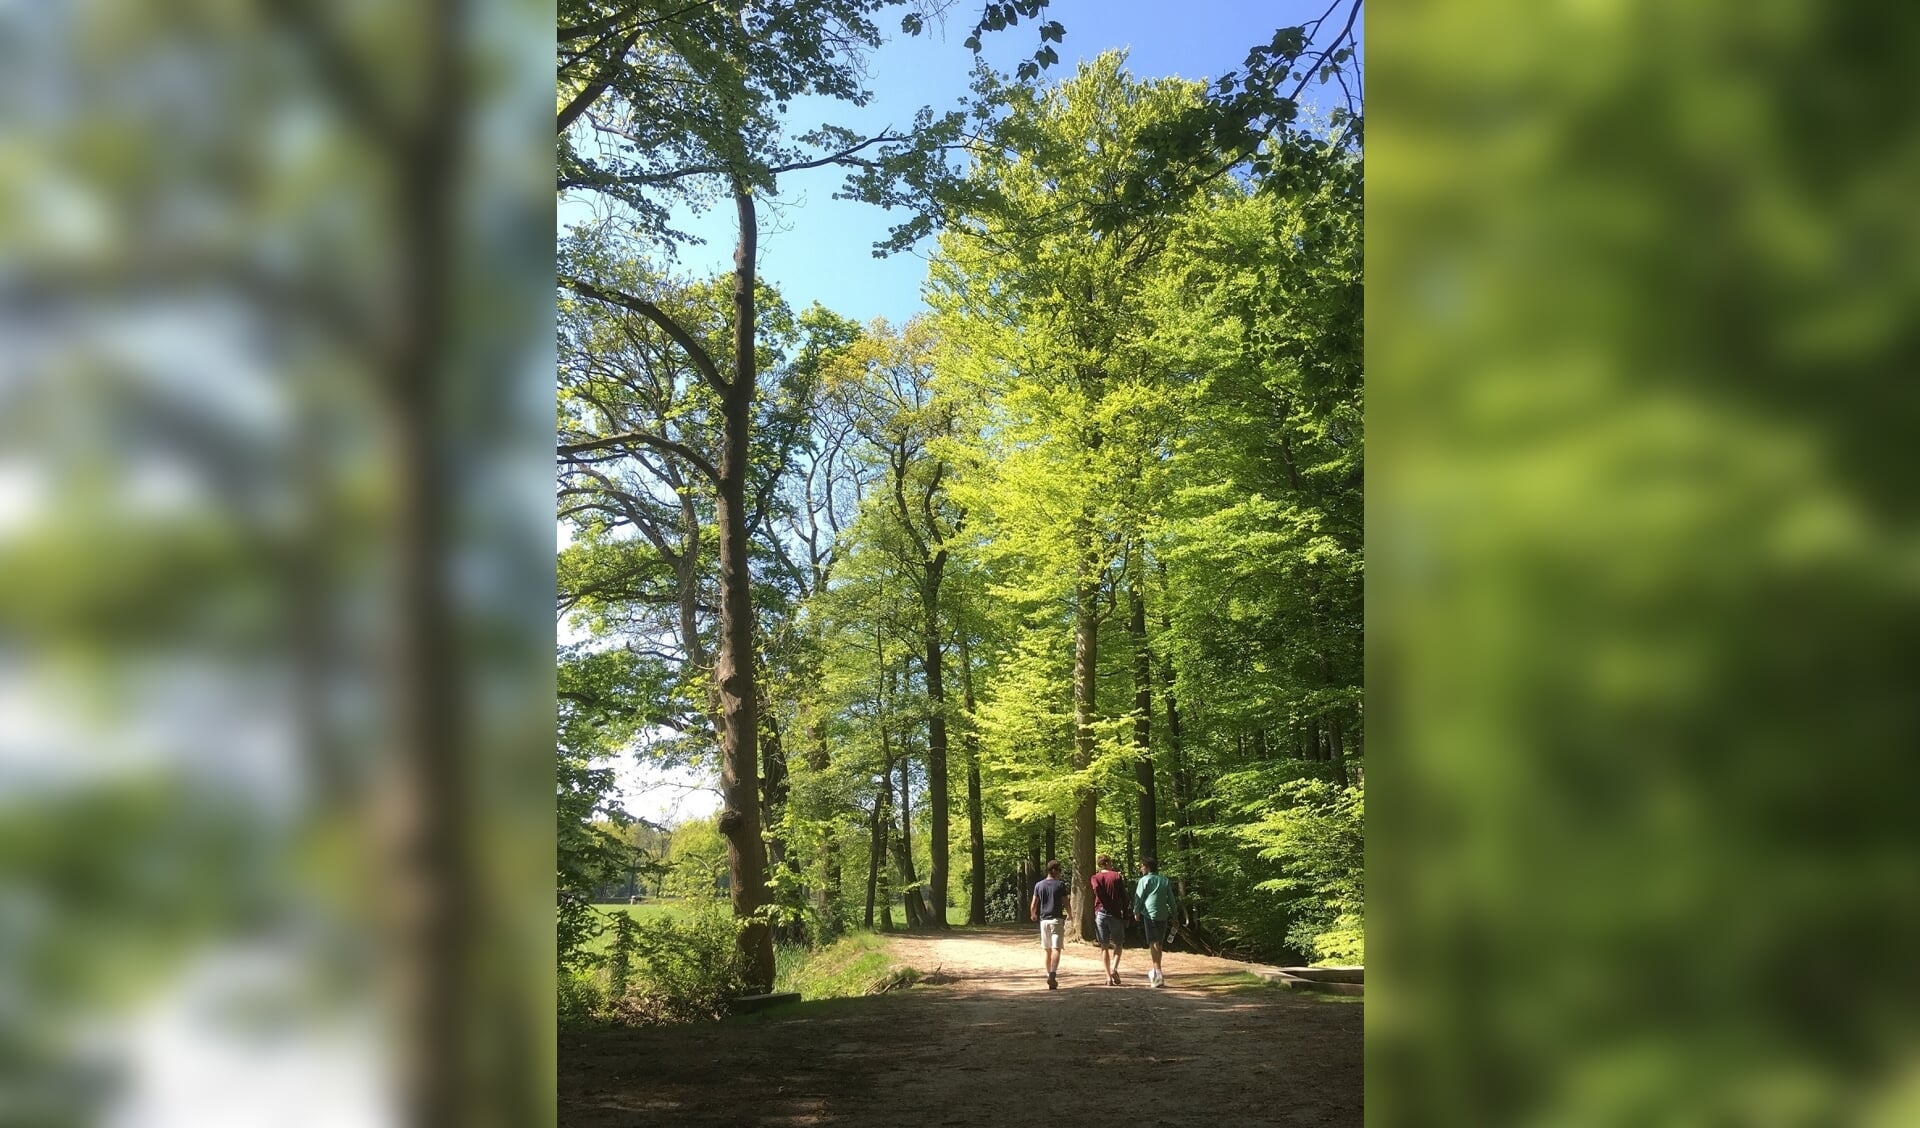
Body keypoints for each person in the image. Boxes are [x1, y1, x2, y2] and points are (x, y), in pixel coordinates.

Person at [1134, 856, 1179, 988]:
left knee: (1153, 943)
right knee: (1158, 943)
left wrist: (1136, 911)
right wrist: (1175, 916)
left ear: (1147, 867)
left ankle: (1157, 974)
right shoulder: (1164, 880)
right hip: (1163, 915)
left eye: (1142, 866)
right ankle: (1156, 971)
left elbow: (1139, 897)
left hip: (1150, 914)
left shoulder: (1144, 880)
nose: (1141, 869)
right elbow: (1171, 900)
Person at [1029, 859, 1072, 990]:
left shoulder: (1039, 885)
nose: (1060, 873)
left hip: (1044, 921)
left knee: (1047, 950)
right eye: (1059, 870)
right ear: (1053, 870)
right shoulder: (1060, 885)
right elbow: (1066, 902)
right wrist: (1070, 915)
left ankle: (1048, 974)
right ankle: (1052, 973)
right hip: (1056, 920)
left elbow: (1034, 903)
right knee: (1056, 948)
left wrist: (1033, 914)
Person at [1089, 853, 1130, 986]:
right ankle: (1114, 968)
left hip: (1100, 913)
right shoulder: (1116, 876)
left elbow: (1096, 890)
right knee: (1119, 943)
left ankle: (1108, 977)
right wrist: (1125, 915)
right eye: (1110, 862)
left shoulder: (1095, 878)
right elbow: (1124, 897)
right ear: (1106, 863)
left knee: (1104, 946)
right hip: (1115, 915)